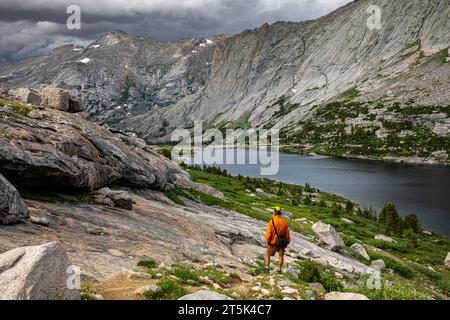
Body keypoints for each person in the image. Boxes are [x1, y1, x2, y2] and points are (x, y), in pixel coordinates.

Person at [265, 206, 291, 274]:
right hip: (282, 243)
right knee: (281, 256)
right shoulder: (284, 222)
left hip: (273, 243)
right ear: (280, 213)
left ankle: (267, 268)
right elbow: (287, 234)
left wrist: (267, 242)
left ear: (274, 213)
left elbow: (269, 234)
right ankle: (279, 270)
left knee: (268, 254)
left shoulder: (271, 222)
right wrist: (287, 242)